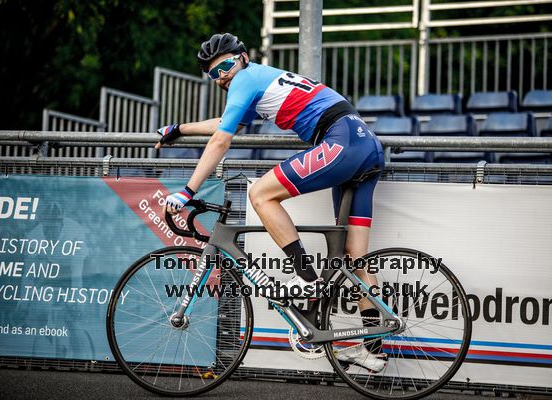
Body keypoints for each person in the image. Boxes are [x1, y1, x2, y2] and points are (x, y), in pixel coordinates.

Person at [156, 33, 386, 371]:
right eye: (213, 73)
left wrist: (187, 191)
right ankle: (373, 346)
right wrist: (179, 129)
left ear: (243, 58)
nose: (223, 75)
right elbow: (224, 123)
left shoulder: (245, 79)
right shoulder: (257, 79)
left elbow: (222, 140)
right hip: (365, 145)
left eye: (227, 65)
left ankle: (305, 276)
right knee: (356, 256)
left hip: (342, 141)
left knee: (260, 193)